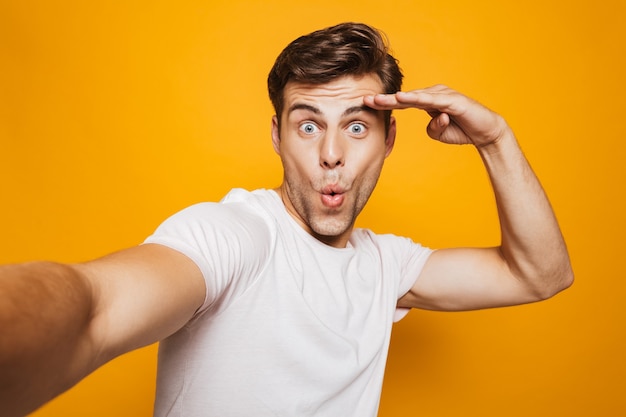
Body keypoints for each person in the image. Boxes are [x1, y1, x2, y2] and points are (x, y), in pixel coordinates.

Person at [0, 22, 573, 417]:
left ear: (389, 138)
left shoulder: (387, 266)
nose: (330, 153)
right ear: (276, 135)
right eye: (307, 125)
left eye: (355, 126)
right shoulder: (233, 235)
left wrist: (495, 139)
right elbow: (96, 308)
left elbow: (538, 274)